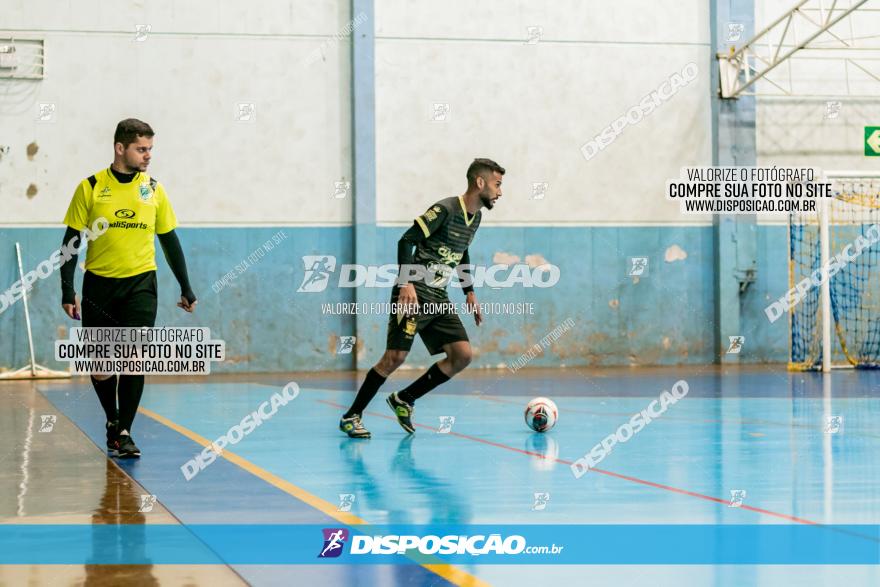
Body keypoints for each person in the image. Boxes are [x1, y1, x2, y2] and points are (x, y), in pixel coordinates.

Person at [60, 118, 197, 458]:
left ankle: (125, 432)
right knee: (103, 366)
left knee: (134, 359)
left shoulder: (153, 189)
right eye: (141, 149)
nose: (148, 155)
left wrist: (185, 286)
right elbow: (70, 244)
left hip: (141, 284)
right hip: (99, 286)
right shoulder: (90, 187)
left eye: (150, 149)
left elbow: (169, 240)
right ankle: (111, 420)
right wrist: (67, 290)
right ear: (120, 148)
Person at [339, 158, 504, 438]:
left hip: (438, 296)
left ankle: (404, 398)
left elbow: (461, 252)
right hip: (412, 294)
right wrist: (405, 284)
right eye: (497, 185)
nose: (500, 192)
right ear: (480, 182)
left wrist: (469, 292)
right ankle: (351, 416)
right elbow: (406, 240)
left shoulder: (475, 217)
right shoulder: (445, 209)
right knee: (395, 357)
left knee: (462, 355)